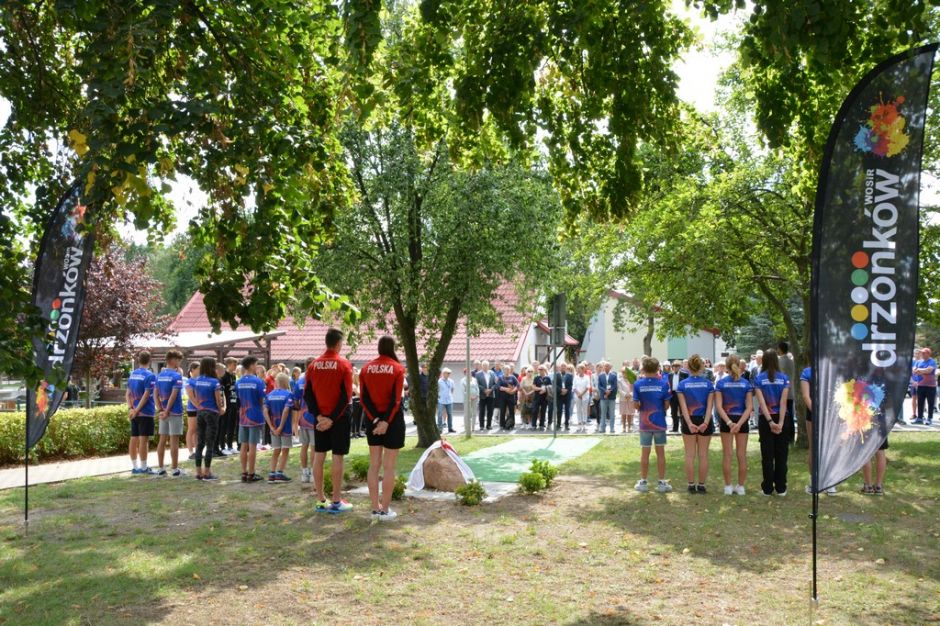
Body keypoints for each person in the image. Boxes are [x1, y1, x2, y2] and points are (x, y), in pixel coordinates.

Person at [304, 328, 355, 513]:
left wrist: (319, 416)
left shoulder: (313, 365)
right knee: (337, 456)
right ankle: (336, 501)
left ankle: (320, 500)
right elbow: (346, 395)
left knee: (319, 455)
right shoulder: (344, 364)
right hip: (338, 418)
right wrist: (332, 418)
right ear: (339, 343)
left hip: (320, 418)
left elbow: (308, 394)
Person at [360, 335, 407, 520]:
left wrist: (376, 420)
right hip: (393, 421)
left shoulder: (366, 368)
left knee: (374, 465)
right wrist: (386, 421)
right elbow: (396, 400)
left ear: (379, 348)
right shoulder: (398, 368)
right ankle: (385, 510)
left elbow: (364, 399)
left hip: (372, 420)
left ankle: (375, 508)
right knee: (389, 467)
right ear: (392, 348)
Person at [633, 357, 673, 493]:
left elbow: (636, 405)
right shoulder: (664, 384)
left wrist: (642, 407)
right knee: (660, 453)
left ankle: (643, 482)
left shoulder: (638, 384)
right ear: (658, 369)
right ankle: (661, 482)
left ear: (643, 369)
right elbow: (667, 405)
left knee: (645, 452)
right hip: (659, 423)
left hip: (645, 423)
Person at [754, 349, 791, 496]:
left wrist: (770, 421)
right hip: (782, 419)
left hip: (766, 420)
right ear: (776, 360)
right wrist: (780, 423)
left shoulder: (759, 379)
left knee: (767, 455)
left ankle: (767, 488)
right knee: (782, 454)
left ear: (763, 361)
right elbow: (783, 403)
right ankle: (781, 487)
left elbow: (762, 403)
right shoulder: (784, 378)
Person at [676, 354, 715, 493]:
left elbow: (683, 408)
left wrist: (689, 423)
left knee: (689, 455)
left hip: (689, 420)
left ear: (688, 367)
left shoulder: (682, 385)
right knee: (703, 455)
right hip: (705, 419)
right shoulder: (708, 384)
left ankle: (691, 485)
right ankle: (702, 485)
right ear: (701, 367)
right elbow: (710, 407)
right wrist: (705, 422)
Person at [715, 355, 752, 495]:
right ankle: (741, 487)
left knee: (727, 454)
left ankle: (728, 486)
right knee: (741, 454)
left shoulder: (721, 383)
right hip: (742, 420)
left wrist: (730, 423)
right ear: (739, 365)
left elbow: (719, 407)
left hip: (727, 421)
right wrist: (739, 423)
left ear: (726, 367)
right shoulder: (746, 384)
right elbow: (749, 407)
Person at [190, 357, 225, 481]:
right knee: (210, 443)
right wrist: (221, 409)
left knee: (200, 443)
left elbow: (195, 396)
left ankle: (198, 472)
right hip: (212, 413)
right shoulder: (215, 382)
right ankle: (207, 472)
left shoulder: (197, 380)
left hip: (200, 412)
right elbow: (218, 400)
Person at [155, 349, 185, 477]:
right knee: (174, 441)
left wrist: (161, 410)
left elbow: (155, 394)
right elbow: (173, 395)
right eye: (179, 360)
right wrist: (167, 411)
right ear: (173, 360)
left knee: (162, 440)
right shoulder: (177, 376)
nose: (179, 363)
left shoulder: (159, 375)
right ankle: (174, 469)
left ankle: (161, 468)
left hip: (163, 413)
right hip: (175, 412)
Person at [236, 356, 267, 483]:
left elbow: (238, 398)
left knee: (244, 445)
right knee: (253, 445)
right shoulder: (258, 381)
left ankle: (244, 473)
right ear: (251, 365)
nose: (257, 367)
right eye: (256, 364)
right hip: (255, 416)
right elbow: (261, 399)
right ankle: (251, 473)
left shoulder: (238, 381)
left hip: (243, 416)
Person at [126, 351, 157, 475]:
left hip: (134, 412)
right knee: (144, 440)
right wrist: (137, 410)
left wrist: (131, 409)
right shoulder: (150, 376)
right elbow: (146, 396)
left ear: (138, 360)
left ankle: (135, 467)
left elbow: (127, 394)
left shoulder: (132, 374)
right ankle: (144, 468)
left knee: (133, 439)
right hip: (145, 412)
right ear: (150, 361)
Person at [264, 372, 294, 483]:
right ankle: (280, 473)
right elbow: (286, 410)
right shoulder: (289, 394)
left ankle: (272, 473)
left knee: (276, 450)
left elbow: (265, 411)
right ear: (286, 382)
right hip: (284, 427)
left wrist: (271, 427)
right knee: (285, 449)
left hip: (273, 427)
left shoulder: (270, 395)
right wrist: (281, 426)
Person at [294, 356, 316, 483]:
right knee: (314, 447)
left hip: (303, 418)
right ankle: (313, 472)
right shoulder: (317, 379)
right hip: (314, 417)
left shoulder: (300, 381)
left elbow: (295, 401)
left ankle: (304, 472)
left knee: (304, 445)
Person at [219, 357, 239, 456]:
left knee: (232, 425)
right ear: (229, 365)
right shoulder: (223, 376)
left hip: (233, 404)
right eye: (234, 364)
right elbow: (221, 392)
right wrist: (223, 405)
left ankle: (230, 446)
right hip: (226, 405)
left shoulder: (234, 376)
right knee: (224, 426)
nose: (235, 366)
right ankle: (222, 447)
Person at [913, 347, 936, 425]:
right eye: (921, 353)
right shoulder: (918, 361)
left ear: (928, 354)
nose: (922, 354)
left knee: (930, 403)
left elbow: (929, 370)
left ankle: (929, 418)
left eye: (923, 353)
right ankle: (919, 418)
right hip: (920, 385)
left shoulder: (932, 361)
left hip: (931, 386)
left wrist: (919, 370)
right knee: (920, 402)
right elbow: (914, 371)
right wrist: (924, 370)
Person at [596, 361, 618, 434]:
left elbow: (615, 386)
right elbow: (599, 386)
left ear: (610, 367)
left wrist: (609, 391)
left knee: (612, 413)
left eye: (607, 366)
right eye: (605, 366)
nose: (606, 367)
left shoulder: (614, 375)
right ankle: (602, 428)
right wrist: (605, 391)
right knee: (603, 413)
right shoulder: (600, 376)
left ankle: (612, 428)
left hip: (611, 397)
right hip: (603, 397)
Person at [184, 361, 200, 459]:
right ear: (193, 370)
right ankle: (190, 452)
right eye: (198, 369)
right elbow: (192, 397)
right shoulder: (189, 382)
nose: (200, 371)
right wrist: (199, 407)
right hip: (192, 409)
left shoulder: (200, 380)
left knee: (197, 430)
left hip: (200, 408)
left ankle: (198, 451)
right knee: (191, 429)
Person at [476, 360, 497, 430]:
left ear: (488, 366)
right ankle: (481, 425)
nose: (485, 367)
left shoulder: (492, 373)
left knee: (490, 411)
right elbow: (477, 384)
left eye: (487, 365)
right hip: (482, 395)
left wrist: (491, 389)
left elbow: (495, 383)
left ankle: (489, 425)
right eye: (484, 365)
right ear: (482, 366)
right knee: (481, 411)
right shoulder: (478, 374)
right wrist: (484, 390)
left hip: (491, 395)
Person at [667, 361, 687, 433]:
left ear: (680, 367)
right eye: (674, 366)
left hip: (681, 394)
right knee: (673, 412)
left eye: (677, 366)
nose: (675, 368)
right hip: (673, 394)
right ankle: (675, 428)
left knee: (682, 411)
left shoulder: (685, 374)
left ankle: (683, 428)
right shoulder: (670, 375)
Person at [498, 364, 519, 430]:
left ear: (510, 370)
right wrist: (507, 389)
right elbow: (498, 386)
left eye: (508, 369)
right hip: (502, 397)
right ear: (503, 370)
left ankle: (512, 424)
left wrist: (513, 391)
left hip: (511, 397)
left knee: (511, 411)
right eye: (505, 369)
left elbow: (518, 385)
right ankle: (502, 425)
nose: (507, 370)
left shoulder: (513, 377)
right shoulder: (500, 377)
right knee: (502, 411)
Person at [553, 362, 573, 430]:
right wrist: (561, 390)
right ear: (560, 367)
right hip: (559, 395)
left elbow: (571, 385)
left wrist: (566, 390)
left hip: (567, 395)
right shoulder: (556, 375)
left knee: (567, 410)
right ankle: (558, 424)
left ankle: (567, 424)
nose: (563, 367)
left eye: (564, 366)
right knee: (559, 410)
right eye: (562, 366)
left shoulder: (570, 375)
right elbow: (554, 385)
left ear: (566, 367)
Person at [531, 364, 551, 430]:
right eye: (539, 369)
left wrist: (545, 389)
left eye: (541, 369)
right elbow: (533, 387)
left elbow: (550, 387)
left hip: (545, 398)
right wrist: (540, 389)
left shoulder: (548, 378)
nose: (540, 370)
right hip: (537, 397)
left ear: (544, 370)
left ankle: (542, 425)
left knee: (543, 411)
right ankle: (533, 425)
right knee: (534, 411)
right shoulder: (536, 378)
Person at [573, 364, 591, 432]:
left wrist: (582, 394)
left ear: (583, 369)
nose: (578, 370)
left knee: (584, 410)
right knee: (578, 410)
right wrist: (578, 394)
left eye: (579, 369)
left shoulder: (587, 377)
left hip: (585, 396)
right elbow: (574, 387)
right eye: (577, 369)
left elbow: (588, 387)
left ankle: (584, 423)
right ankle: (579, 423)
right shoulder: (575, 377)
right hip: (577, 396)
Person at [437, 368, 456, 433]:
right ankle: (440, 428)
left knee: (450, 414)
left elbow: (452, 389)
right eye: (448, 373)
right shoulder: (439, 381)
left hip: (449, 400)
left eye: (449, 373)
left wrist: (450, 395)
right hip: (441, 400)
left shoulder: (451, 381)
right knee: (440, 414)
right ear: (443, 373)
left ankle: (450, 428)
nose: (449, 374)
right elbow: (437, 390)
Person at [619, 361, 634, 433]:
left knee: (630, 413)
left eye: (626, 372)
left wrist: (630, 394)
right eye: (623, 372)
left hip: (630, 399)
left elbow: (634, 389)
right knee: (623, 413)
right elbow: (619, 389)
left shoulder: (632, 380)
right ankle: (624, 427)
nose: (625, 374)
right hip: (623, 399)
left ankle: (629, 427)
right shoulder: (620, 380)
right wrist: (625, 395)